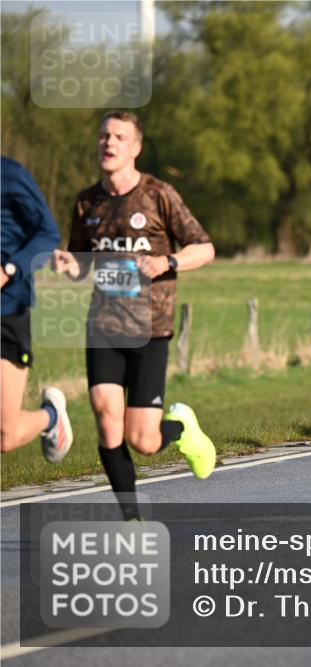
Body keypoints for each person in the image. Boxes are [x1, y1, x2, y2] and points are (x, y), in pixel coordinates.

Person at [51, 111, 217, 519]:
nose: (109, 143)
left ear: (135, 148)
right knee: (108, 420)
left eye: (119, 137)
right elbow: (82, 264)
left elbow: (205, 247)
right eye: (104, 136)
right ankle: (133, 521)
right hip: (103, 326)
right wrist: (69, 266)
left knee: (143, 440)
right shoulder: (86, 202)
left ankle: (180, 428)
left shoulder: (159, 194)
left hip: (150, 330)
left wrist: (168, 262)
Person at [1, 157, 73, 461]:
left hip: (7, 311)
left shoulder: (11, 175)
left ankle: (51, 417)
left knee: (6, 437)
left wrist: (8, 269)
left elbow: (47, 236)